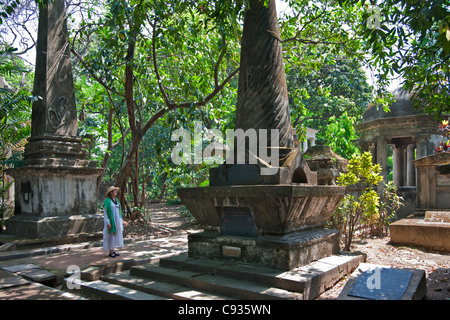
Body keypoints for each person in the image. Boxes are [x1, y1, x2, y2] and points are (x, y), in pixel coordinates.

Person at [103, 186, 124, 257]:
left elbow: (119, 211)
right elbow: (106, 213)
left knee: (116, 234)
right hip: (111, 221)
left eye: (115, 191)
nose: (115, 192)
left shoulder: (116, 200)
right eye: (114, 191)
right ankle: (110, 251)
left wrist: (121, 220)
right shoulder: (107, 201)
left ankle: (113, 250)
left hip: (117, 220)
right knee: (111, 235)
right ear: (111, 192)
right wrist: (107, 222)